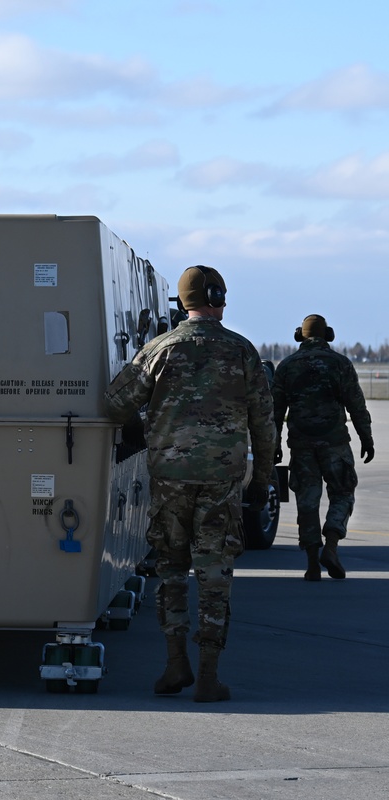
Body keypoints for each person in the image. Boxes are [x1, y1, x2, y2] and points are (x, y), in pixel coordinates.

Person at [104, 266, 275, 702]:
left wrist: (145, 430)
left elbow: (114, 404)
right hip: (222, 481)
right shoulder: (242, 351)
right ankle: (209, 675)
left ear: (182, 301)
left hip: (171, 478)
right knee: (215, 575)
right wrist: (264, 481)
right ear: (218, 297)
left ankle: (174, 663)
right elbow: (264, 423)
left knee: (172, 569)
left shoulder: (158, 349)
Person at [272, 314, 374, 581]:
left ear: (300, 336)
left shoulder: (286, 366)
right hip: (335, 443)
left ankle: (312, 564)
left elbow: (275, 411)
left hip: (302, 445)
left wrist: (273, 444)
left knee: (307, 501)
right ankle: (331, 545)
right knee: (342, 493)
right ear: (327, 335)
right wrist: (366, 437)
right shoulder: (339, 363)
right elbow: (356, 405)